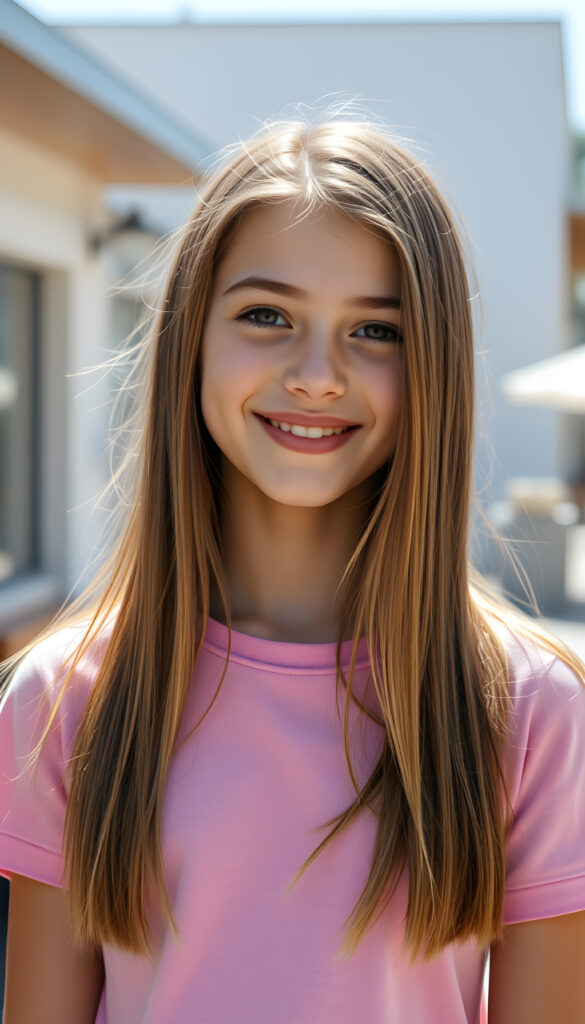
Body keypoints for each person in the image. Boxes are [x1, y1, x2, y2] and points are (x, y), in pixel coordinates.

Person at [1, 115, 585, 1024]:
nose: (317, 374)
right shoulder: (67, 698)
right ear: (190, 339)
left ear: (432, 364)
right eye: (266, 315)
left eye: (376, 331)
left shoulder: (529, 710)